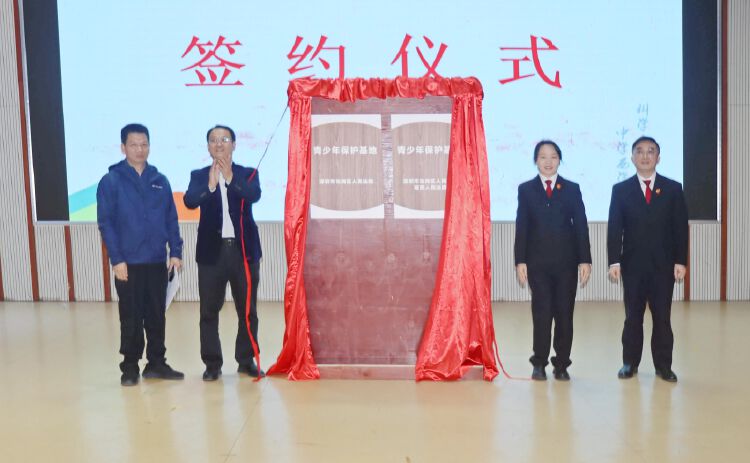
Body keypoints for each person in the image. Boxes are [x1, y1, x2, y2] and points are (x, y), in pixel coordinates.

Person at [97, 123, 184, 386]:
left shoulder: (160, 180)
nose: (140, 149)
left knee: (156, 315)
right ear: (123, 147)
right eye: (134, 145)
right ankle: (130, 367)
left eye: (144, 144)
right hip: (128, 263)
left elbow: (171, 218)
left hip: (157, 261)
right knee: (131, 316)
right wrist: (117, 259)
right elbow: (106, 223)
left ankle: (156, 363)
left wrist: (175, 252)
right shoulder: (111, 181)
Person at [183, 125, 263, 381]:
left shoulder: (247, 173)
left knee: (247, 311)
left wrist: (230, 178)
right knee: (208, 311)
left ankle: (246, 360)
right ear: (208, 147)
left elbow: (254, 195)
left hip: (243, 253)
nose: (219, 144)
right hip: (211, 254)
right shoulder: (198, 175)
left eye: (225, 139)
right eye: (213, 140)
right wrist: (210, 186)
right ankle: (212, 364)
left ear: (234, 144)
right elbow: (189, 201)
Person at [607, 136, 688, 383]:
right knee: (633, 317)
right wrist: (614, 261)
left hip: (663, 266)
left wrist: (681, 261)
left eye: (650, 151)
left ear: (658, 158)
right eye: (640, 151)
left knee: (662, 317)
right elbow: (615, 228)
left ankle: (664, 366)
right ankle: (629, 363)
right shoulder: (621, 190)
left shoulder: (673, 189)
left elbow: (680, 228)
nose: (645, 156)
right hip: (632, 267)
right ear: (632, 158)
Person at [514, 140, 592, 381]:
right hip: (537, 264)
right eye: (543, 157)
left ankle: (562, 364)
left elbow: (581, 226)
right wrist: (520, 260)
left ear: (560, 160)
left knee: (564, 314)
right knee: (542, 313)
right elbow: (522, 226)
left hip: (566, 264)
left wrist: (585, 260)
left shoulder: (571, 189)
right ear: (535, 160)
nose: (548, 162)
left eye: (553, 157)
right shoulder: (526, 189)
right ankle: (539, 362)